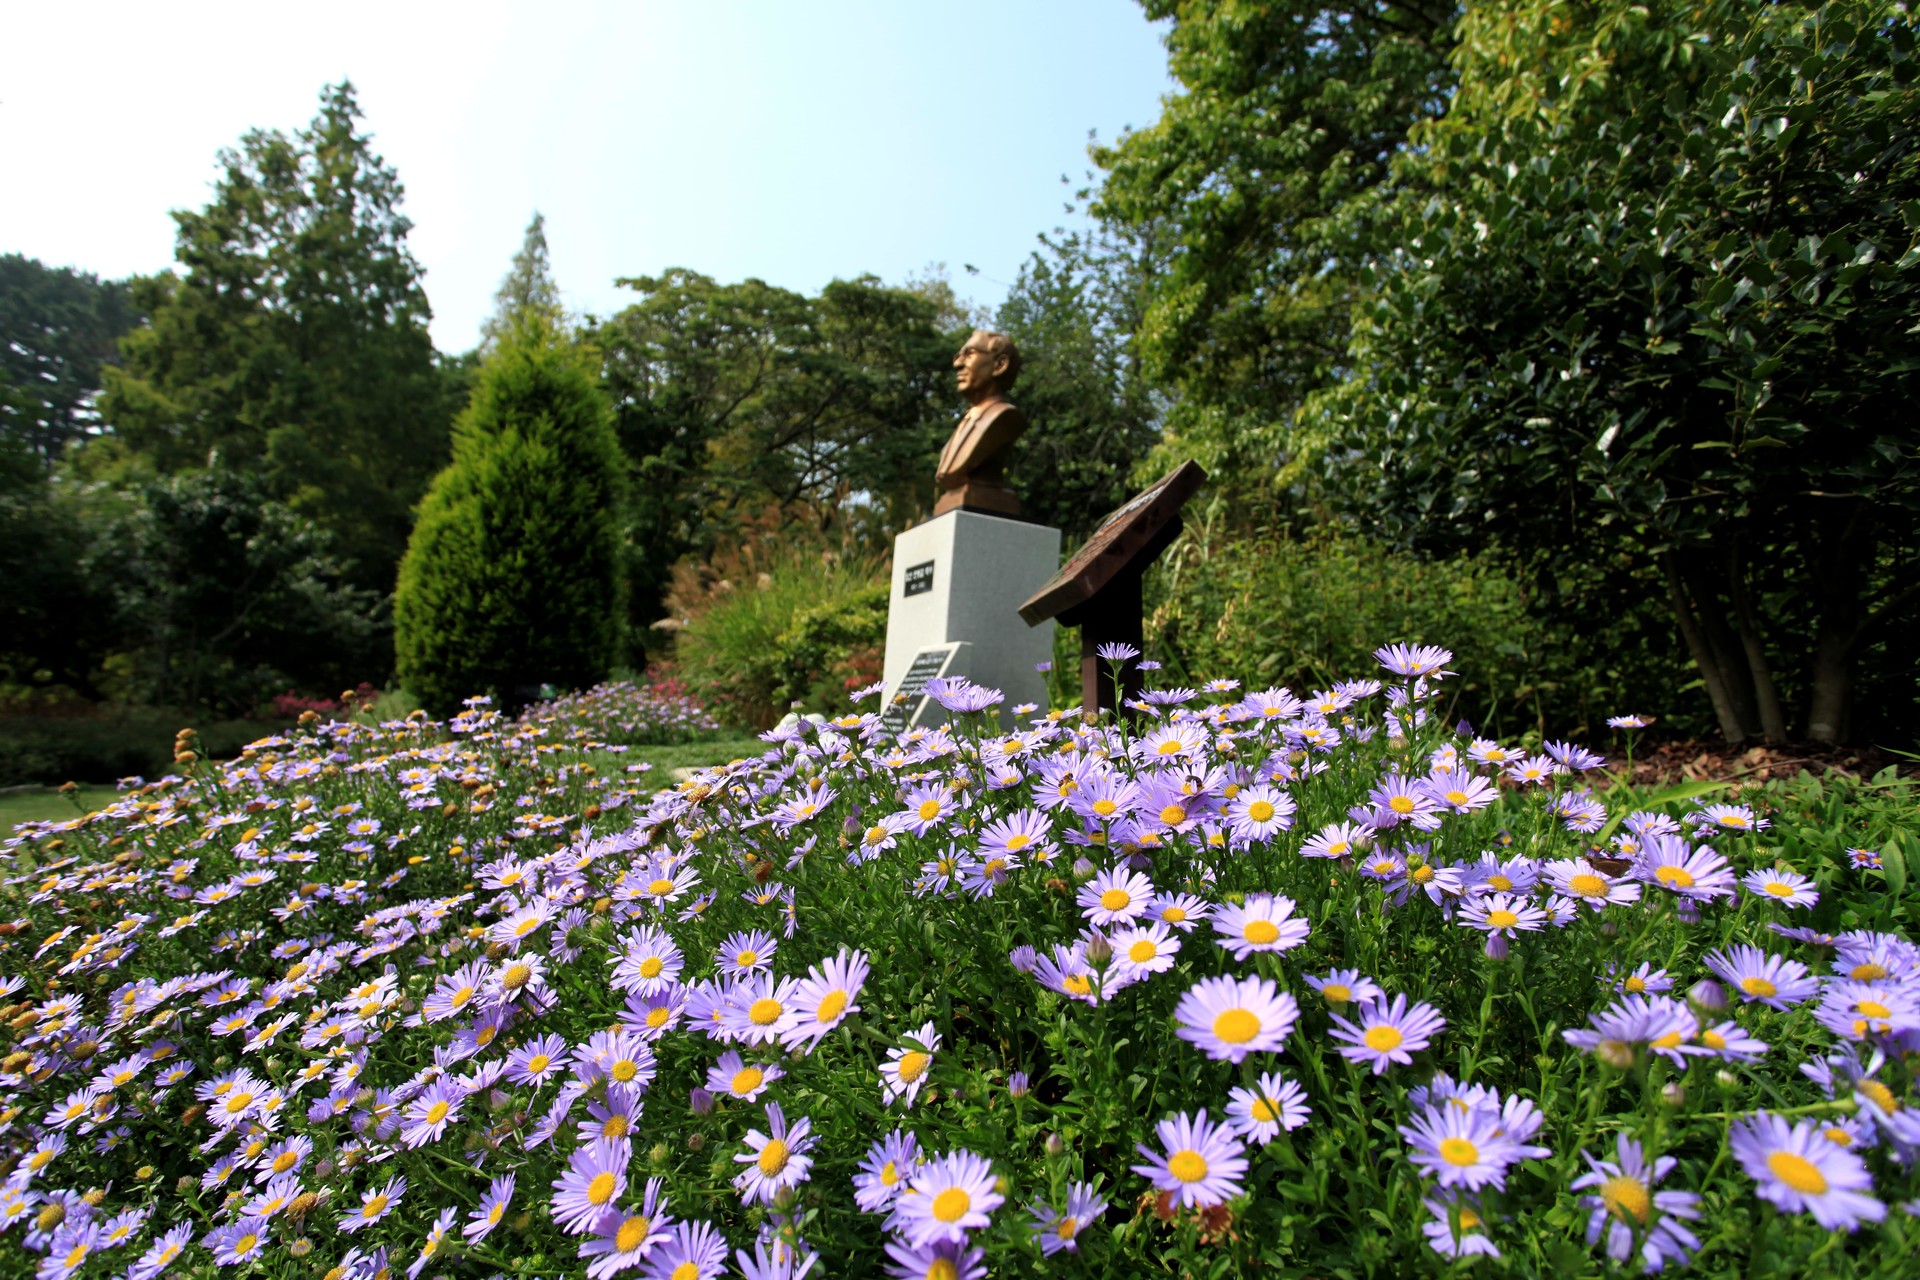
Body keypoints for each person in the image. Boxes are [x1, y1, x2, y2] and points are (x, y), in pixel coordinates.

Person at [934, 329, 1028, 516]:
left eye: (969, 354)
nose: (957, 363)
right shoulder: (966, 422)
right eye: (958, 355)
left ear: (999, 365)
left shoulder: (1004, 418)